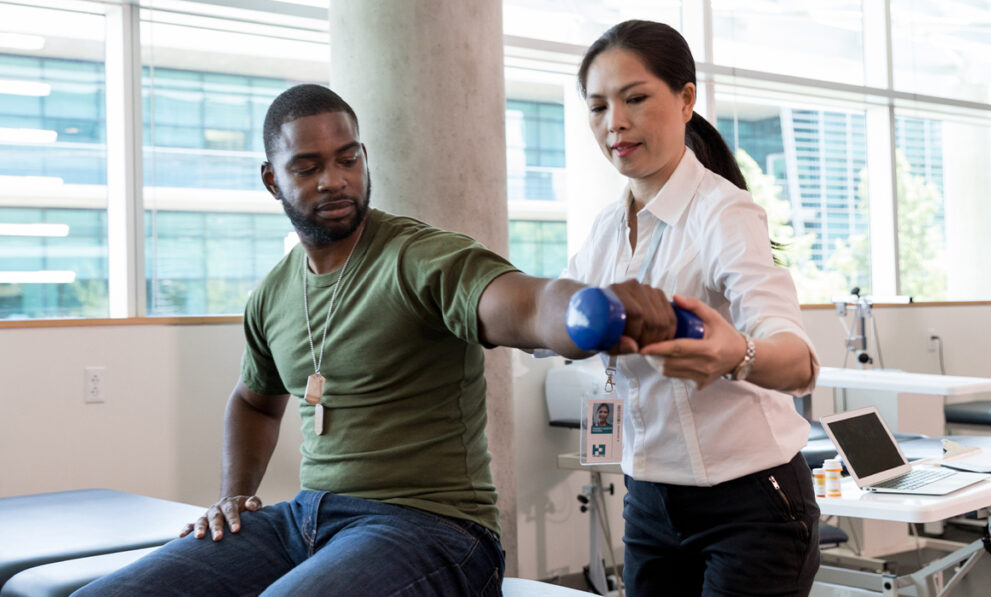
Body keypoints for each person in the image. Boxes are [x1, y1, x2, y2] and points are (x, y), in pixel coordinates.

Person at [73, 84, 676, 597]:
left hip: (435, 528)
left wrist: (585, 310)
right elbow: (254, 400)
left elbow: (522, 302)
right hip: (305, 518)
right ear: (270, 179)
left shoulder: (421, 257)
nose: (334, 180)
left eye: (348, 159)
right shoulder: (273, 294)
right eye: (307, 167)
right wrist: (233, 498)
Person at [569, 20, 821, 596]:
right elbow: (547, 317)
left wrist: (738, 354)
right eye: (598, 106)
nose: (616, 123)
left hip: (750, 505)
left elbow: (800, 361)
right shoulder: (607, 229)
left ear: (686, 100)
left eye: (635, 99)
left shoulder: (724, 213)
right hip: (649, 501)